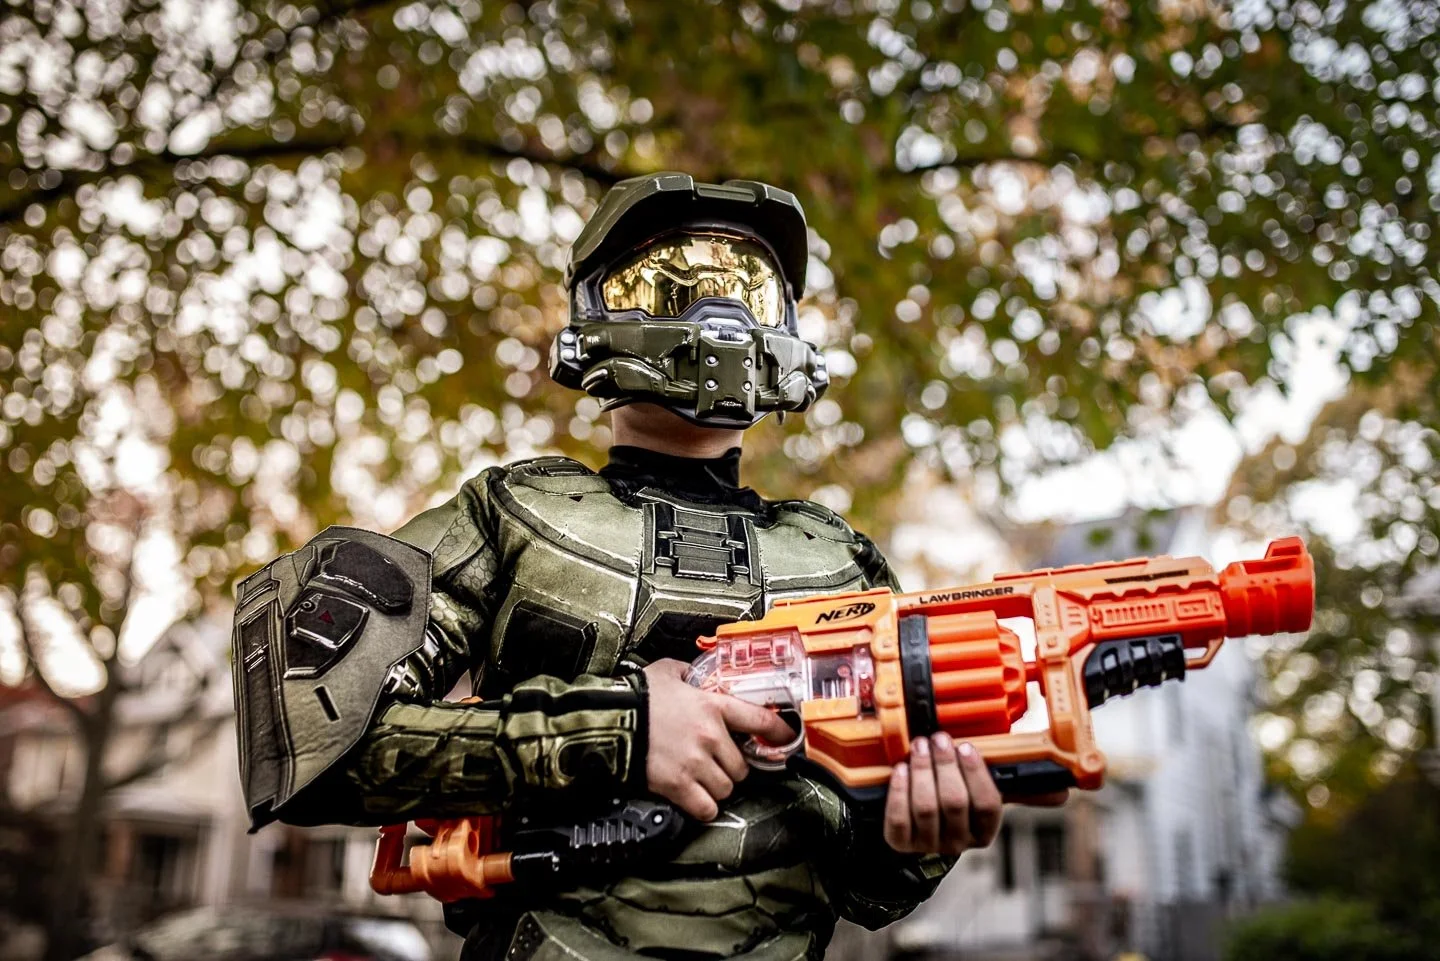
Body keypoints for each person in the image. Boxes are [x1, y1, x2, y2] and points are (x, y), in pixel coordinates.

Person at [232, 173, 1062, 961]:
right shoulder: (514, 512)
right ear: (592, 312)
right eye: (667, 280)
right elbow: (311, 741)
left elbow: (872, 889)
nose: (718, 306)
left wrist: (919, 835)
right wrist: (623, 730)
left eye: (750, 284)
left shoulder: (841, 563)